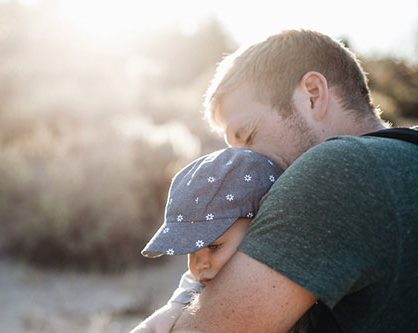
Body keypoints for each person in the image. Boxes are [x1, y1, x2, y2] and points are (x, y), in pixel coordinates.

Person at [167, 29, 418, 332]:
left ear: (313, 94)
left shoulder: (333, 170)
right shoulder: (404, 155)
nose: (240, 165)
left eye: (248, 135)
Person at [130, 147, 283, 332]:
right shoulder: (203, 281)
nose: (199, 264)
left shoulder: (282, 275)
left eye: (214, 246)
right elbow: (176, 302)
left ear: (259, 225)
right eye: (192, 251)